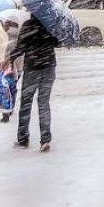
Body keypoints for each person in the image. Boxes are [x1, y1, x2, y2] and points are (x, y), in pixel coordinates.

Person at [10, 14, 60, 151]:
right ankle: (45, 139)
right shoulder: (50, 25)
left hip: (32, 68)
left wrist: (11, 57)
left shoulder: (28, 26)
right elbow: (58, 43)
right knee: (44, 104)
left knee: (26, 103)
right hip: (49, 67)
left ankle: (23, 138)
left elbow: (20, 48)